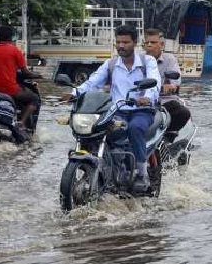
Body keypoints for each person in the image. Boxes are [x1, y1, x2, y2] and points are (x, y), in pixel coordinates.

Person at [65, 24, 161, 192]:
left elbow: (155, 82)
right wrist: (74, 93)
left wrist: (147, 97)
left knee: (135, 128)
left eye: (126, 42)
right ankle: (106, 167)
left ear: (135, 43)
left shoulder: (148, 61)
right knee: (98, 130)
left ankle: (141, 173)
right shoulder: (111, 64)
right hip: (117, 110)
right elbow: (92, 82)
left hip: (141, 110)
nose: (121, 46)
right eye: (118, 42)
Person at [0, 25, 42, 135]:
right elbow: (25, 72)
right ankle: (21, 123)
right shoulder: (15, 51)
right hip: (10, 91)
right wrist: (37, 75)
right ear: (11, 38)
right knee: (34, 98)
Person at [143, 28, 191, 134]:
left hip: (164, 101)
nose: (149, 45)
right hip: (142, 102)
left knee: (182, 112)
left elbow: (176, 78)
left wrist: (172, 86)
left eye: (153, 42)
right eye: (147, 43)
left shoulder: (169, 59)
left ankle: (168, 135)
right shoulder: (139, 60)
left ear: (162, 45)